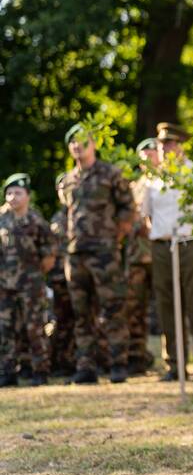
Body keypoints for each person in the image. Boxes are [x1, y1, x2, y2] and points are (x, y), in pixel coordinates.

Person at [58, 124, 134, 384]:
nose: (78, 145)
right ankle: (86, 366)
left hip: (104, 252)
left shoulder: (111, 174)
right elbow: (67, 213)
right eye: (73, 142)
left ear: (93, 144)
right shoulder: (66, 180)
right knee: (81, 313)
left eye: (82, 141)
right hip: (76, 252)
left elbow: (127, 209)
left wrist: (115, 238)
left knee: (112, 308)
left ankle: (118, 364)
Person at [142, 122, 193, 381]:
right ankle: (174, 364)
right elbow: (146, 216)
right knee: (166, 305)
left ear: (180, 146)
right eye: (162, 144)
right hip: (162, 245)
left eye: (170, 143)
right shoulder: (152, 178)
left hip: (191, 243)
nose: (164, 148)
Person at [0, 174, 56, 387]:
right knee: (6, 328)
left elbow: (49, 254)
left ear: (28, 196)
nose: (13, 197)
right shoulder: (1, 219)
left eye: (18, 193)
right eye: (9, 193)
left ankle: (40, 371)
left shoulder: (37, 221)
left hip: (31, 285)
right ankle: (7, 371)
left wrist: (35, 275)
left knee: (34, 328)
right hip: (5, 286)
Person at [125, 138, 159, 375]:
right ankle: (136, 357)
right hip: (137, 257)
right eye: (143, 154)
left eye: (152, 153)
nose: (148, 158)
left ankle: (175, 359)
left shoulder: (167, 183)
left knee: (167, 309)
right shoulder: (132, 187)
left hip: (160, 255)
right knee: (134, 309)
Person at [47, 175, 76, 378]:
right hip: (60, 280)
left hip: (81, 276)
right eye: (60, 187)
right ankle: (62, 361)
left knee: (84, 319)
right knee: (62, 321)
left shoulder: (85, 215)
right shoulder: (56, 219)